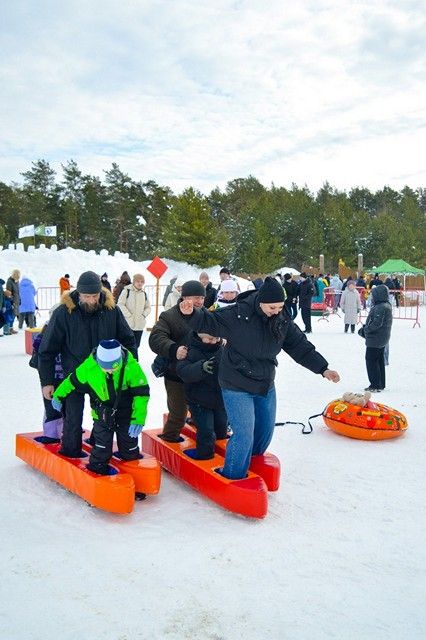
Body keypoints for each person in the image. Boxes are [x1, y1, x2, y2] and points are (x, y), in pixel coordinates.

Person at [180, 276, 340, 480]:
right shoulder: (238, 314)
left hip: (265, 382)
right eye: (272, 307)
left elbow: (300, 346)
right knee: (244, 434)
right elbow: (209, 321)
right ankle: (233, 474)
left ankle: (253, 459)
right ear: (261, 302)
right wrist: (190, 313)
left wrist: (323, 368)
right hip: (236, 382)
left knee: (265, 431)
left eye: (280, 307)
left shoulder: (282, 319)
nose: (277, 311)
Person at [38, 271, 137, 458]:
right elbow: (47, 351)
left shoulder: (111, 311)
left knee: (103, 418)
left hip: (104, 376)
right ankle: (70, 452)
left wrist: (130, 371)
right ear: (78, 293)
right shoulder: (63, 313)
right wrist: (47, 382)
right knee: (73, 418)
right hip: (74, 375)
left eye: (95, 296)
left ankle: (98, 449)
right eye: (86, 296)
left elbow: (128, 341)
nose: (91, 300)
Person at [52, 340, 149, 475]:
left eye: (114, 366)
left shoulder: (131, 367)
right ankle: (97, 469)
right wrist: (57, 396)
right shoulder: (89, 368)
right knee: (101, 446)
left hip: (126, 415)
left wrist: (138, 419)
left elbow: (142, 395)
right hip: (102, 415)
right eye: (105, 367)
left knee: (129, 445)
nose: (110, 370)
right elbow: (71, 382)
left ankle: (133, 469)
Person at [149, 280, 206, 442]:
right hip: (176, 374)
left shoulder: (205, 315)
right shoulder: (169, 316)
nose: (200, 301)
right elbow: (156, 338)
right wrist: (174, 349)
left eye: (202, 298)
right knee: (179, 414)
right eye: (196, 297)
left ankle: (202, 439)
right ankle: (169, 439)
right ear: (184, 297)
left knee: (203, 411)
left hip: (200, 373)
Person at [176, 332, 228, 459]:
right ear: (200, 335)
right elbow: (183, 370)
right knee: (206, 430)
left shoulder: (221, 349)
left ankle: (221, 451)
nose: (213, 342)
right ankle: (204, 455)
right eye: (209, 339)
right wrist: (200, 368)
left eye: (216, 338)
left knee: (221, 427)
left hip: (219, 399)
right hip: (199, 401)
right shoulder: (190, 350)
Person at [358, 284, 392, 393]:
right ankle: (380, 383)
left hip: (376, 339)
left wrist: (365, 330)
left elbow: (376, 324)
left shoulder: (381, 307)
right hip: (381, 338)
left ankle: (375, 384)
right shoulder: (384, 305)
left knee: (371, 360)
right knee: (379, 360)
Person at [117, 273, 151, 348]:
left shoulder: (144, 294)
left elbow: (148, 307)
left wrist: (143, 315)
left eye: (142, 282)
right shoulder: (126, 291)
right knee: (127, 346)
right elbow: (120, 304)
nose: (140, 283)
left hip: (139, 325)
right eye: (138, 281)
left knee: (136, 346)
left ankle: (135, 356)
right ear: (134, 282)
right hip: (128, 325)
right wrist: (128, 315)